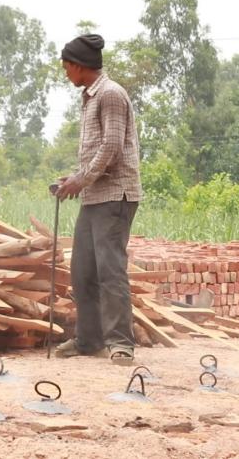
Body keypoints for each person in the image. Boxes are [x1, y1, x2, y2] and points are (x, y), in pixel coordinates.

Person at [53, 34, 143, 365]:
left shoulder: (111, 94)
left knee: (110, 270)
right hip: (94, 197)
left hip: (115, 195)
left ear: (79, 66)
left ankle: (121, 343)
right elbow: (96, 151)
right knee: (82, 271)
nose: (66, 75)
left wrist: (82, 179)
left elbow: (112, 147)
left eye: (66, 68)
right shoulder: (91, 97)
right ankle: (89, 340)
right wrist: (75, 179)